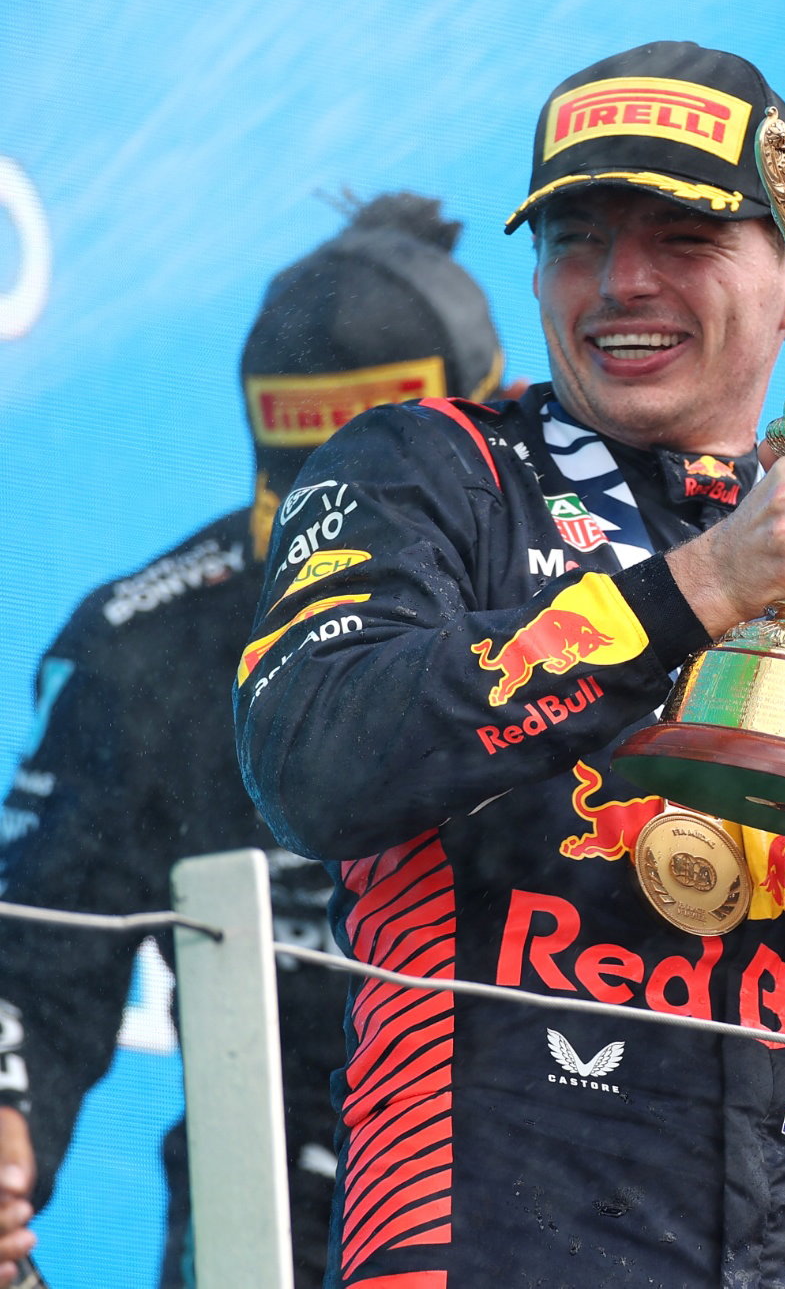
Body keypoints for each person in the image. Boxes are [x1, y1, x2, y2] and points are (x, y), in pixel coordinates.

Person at [235, 41, 785, 1288]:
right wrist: (702, 586)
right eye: (575, 236)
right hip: (481, 1249)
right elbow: (316, 764)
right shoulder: (424, 470)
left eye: (684, 234)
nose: (621, 282)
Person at [0, 192, 504, 1288]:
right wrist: (9, 1120)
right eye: (310, 505)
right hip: (259, 1203)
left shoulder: (619, 602)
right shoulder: (149, 641)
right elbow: (37, 957)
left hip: (546, 1189)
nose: (346, 563)